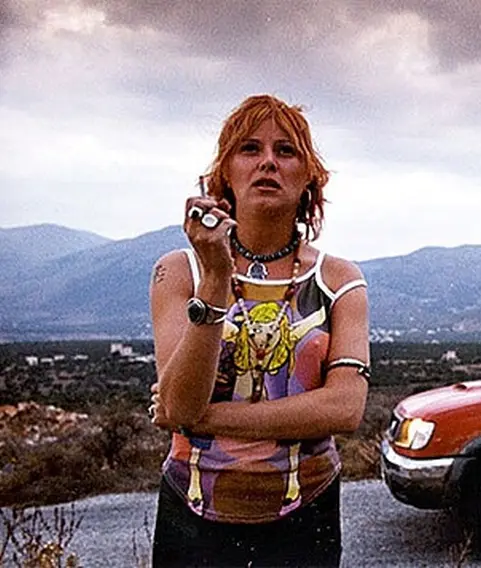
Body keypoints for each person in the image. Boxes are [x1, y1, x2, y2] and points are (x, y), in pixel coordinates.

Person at [148, 94, 369, 567]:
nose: (268, 161)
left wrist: (203, 417)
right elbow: (180, 404)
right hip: (193, 518)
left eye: (286, 151)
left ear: (308, 177)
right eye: (250, 148)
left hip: (306, 516)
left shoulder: (339, 281)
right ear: (225, 172)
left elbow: (346, 408)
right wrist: (214, 277)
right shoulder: (179, 272)